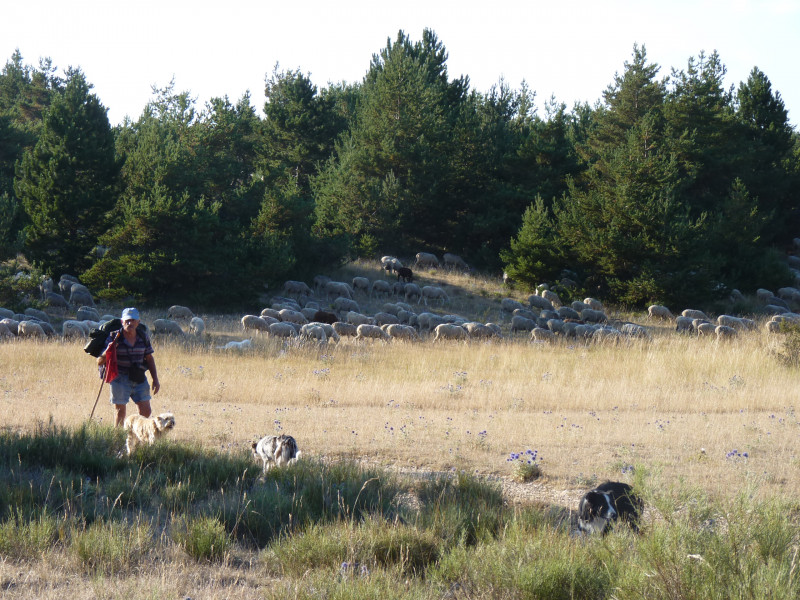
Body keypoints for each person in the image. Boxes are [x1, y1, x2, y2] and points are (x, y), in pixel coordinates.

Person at [96, 307, 160, 427]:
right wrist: (109, 350)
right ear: (122, 321)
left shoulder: (143, 337)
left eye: (133, 320)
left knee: (146, 412)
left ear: (138, 322)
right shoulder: (113, 337)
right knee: (120, 412)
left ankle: (138, 435)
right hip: (119, 379)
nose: (130, 323)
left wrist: (155, 379)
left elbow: (149, 358)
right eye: (127, 320)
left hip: (139, 377)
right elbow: (99, 361)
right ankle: (118, 440)